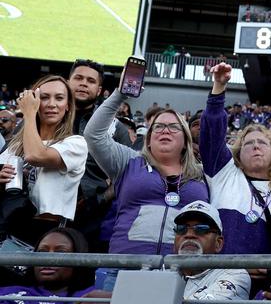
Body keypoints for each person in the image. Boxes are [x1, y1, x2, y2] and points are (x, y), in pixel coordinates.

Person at [83, 67, 209, 291]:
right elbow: (93, 134)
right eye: (158, 127)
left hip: (183, 271)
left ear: (186, 140)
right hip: (125, 266)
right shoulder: (128, 162)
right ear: (149, 139)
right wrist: (121, 93)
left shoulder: (202, 174)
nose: (165, 131)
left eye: (173, 127)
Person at [199, 63, 271, 293]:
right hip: (213, 283)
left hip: (263, 290)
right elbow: (211, 131)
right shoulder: (224, 173)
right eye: (249, 143)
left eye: (262, 143)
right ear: (238, 153)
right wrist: (219, 87)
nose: (256, 147)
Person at [0, 76, 87, 242]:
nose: (52, 104)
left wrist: (29, 114)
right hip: (10, 228)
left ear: (68, 106)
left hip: (48, 233)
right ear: (34, 101)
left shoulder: (75, 143)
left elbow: (36, 155)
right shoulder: (15, 146)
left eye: (59, 98)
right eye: (44, 97)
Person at [68, 59, 130, 251]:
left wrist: (101, 198)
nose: (83, 83)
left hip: (93, 217)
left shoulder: (115, 128)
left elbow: (130, 174)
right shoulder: (46, 118)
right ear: (66, 81)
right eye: (78, 78)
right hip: (42, 212)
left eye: (90, 81)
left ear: (99, 89)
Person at [175, 201, 251, 299]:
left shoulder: (236, 274)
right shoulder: (160, 272)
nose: (189, 234)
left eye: (201, 229)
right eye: (181, 229)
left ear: (218, 243)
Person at [0, 228, 96, 302]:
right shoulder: (8, 293)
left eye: (60, 252)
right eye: (42, 251)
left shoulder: (92, 297)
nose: (49, 259)